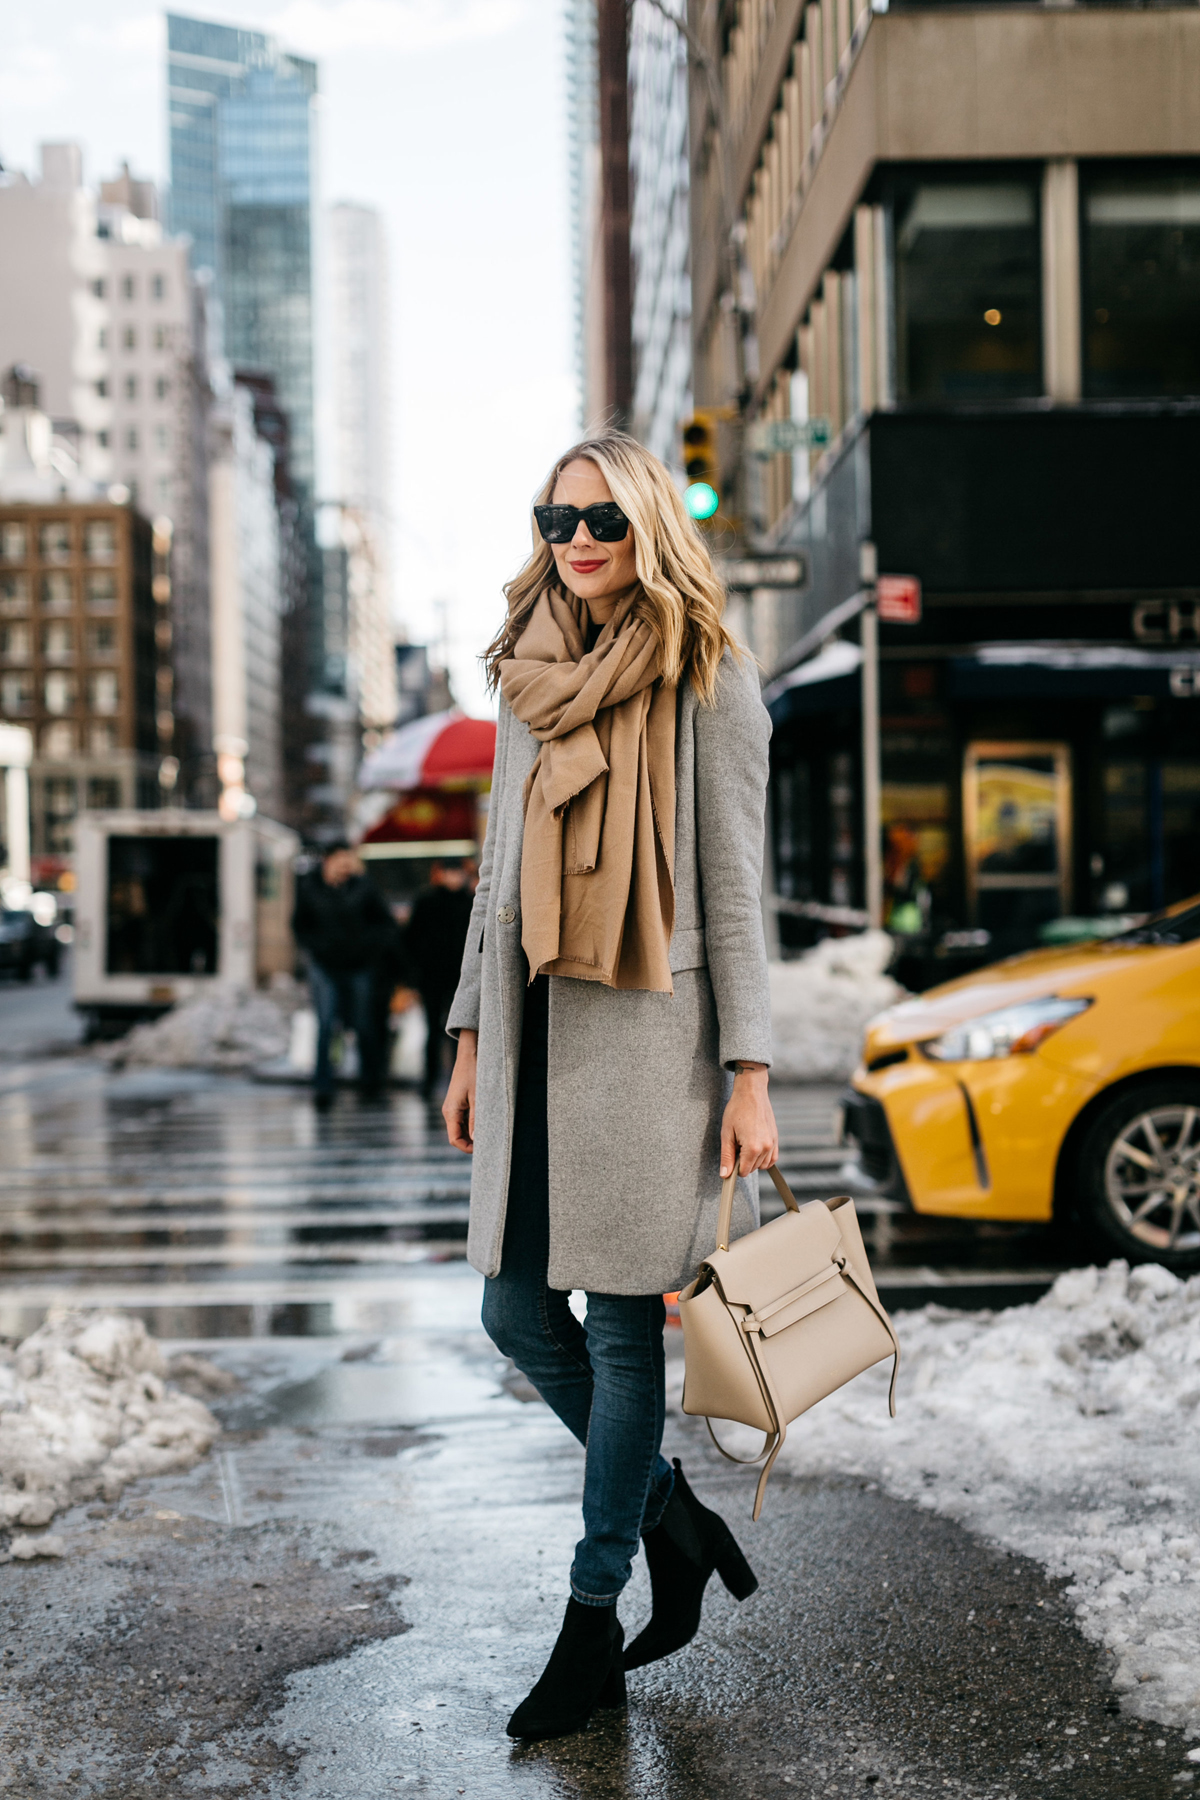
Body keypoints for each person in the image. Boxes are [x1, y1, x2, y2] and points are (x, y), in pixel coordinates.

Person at [441, 433, 777, 1741]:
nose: (579, 540)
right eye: (557, 518)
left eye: (604, 520)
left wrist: (749, 1075)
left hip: (652, 1042)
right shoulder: (526, 673)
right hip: (531, 1039)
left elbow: (735, 894)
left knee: (629, 1333)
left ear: (648, 527)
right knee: (516, 1315)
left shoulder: (712, 678)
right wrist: (470, 1037)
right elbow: (491, 877)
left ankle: (591, 1623)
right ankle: (674, 1523)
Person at [292, 842, 399, 1106]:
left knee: (364, 1024)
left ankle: (370, 1084)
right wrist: (318, 948)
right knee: (326, 1024)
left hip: (360, 966)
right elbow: (299, 926)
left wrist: (367, 947)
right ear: (327, 861)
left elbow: (384, 924)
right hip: (324, 967)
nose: (345, 865)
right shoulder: (309, 887)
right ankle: (323, 1087)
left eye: (348, 860)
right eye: (340, 859)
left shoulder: (364, 887)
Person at [404, 861, 476, 1097]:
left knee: (459, 1032)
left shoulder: (471, 903)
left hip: (460, 978)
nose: (454, 879)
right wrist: (414, 975)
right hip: (432, 976)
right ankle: (430, 1078)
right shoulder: (426, 902)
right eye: (450, 873)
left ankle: (456, 1080)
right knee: (433, 1029)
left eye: (458, 874)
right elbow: (411, 939)